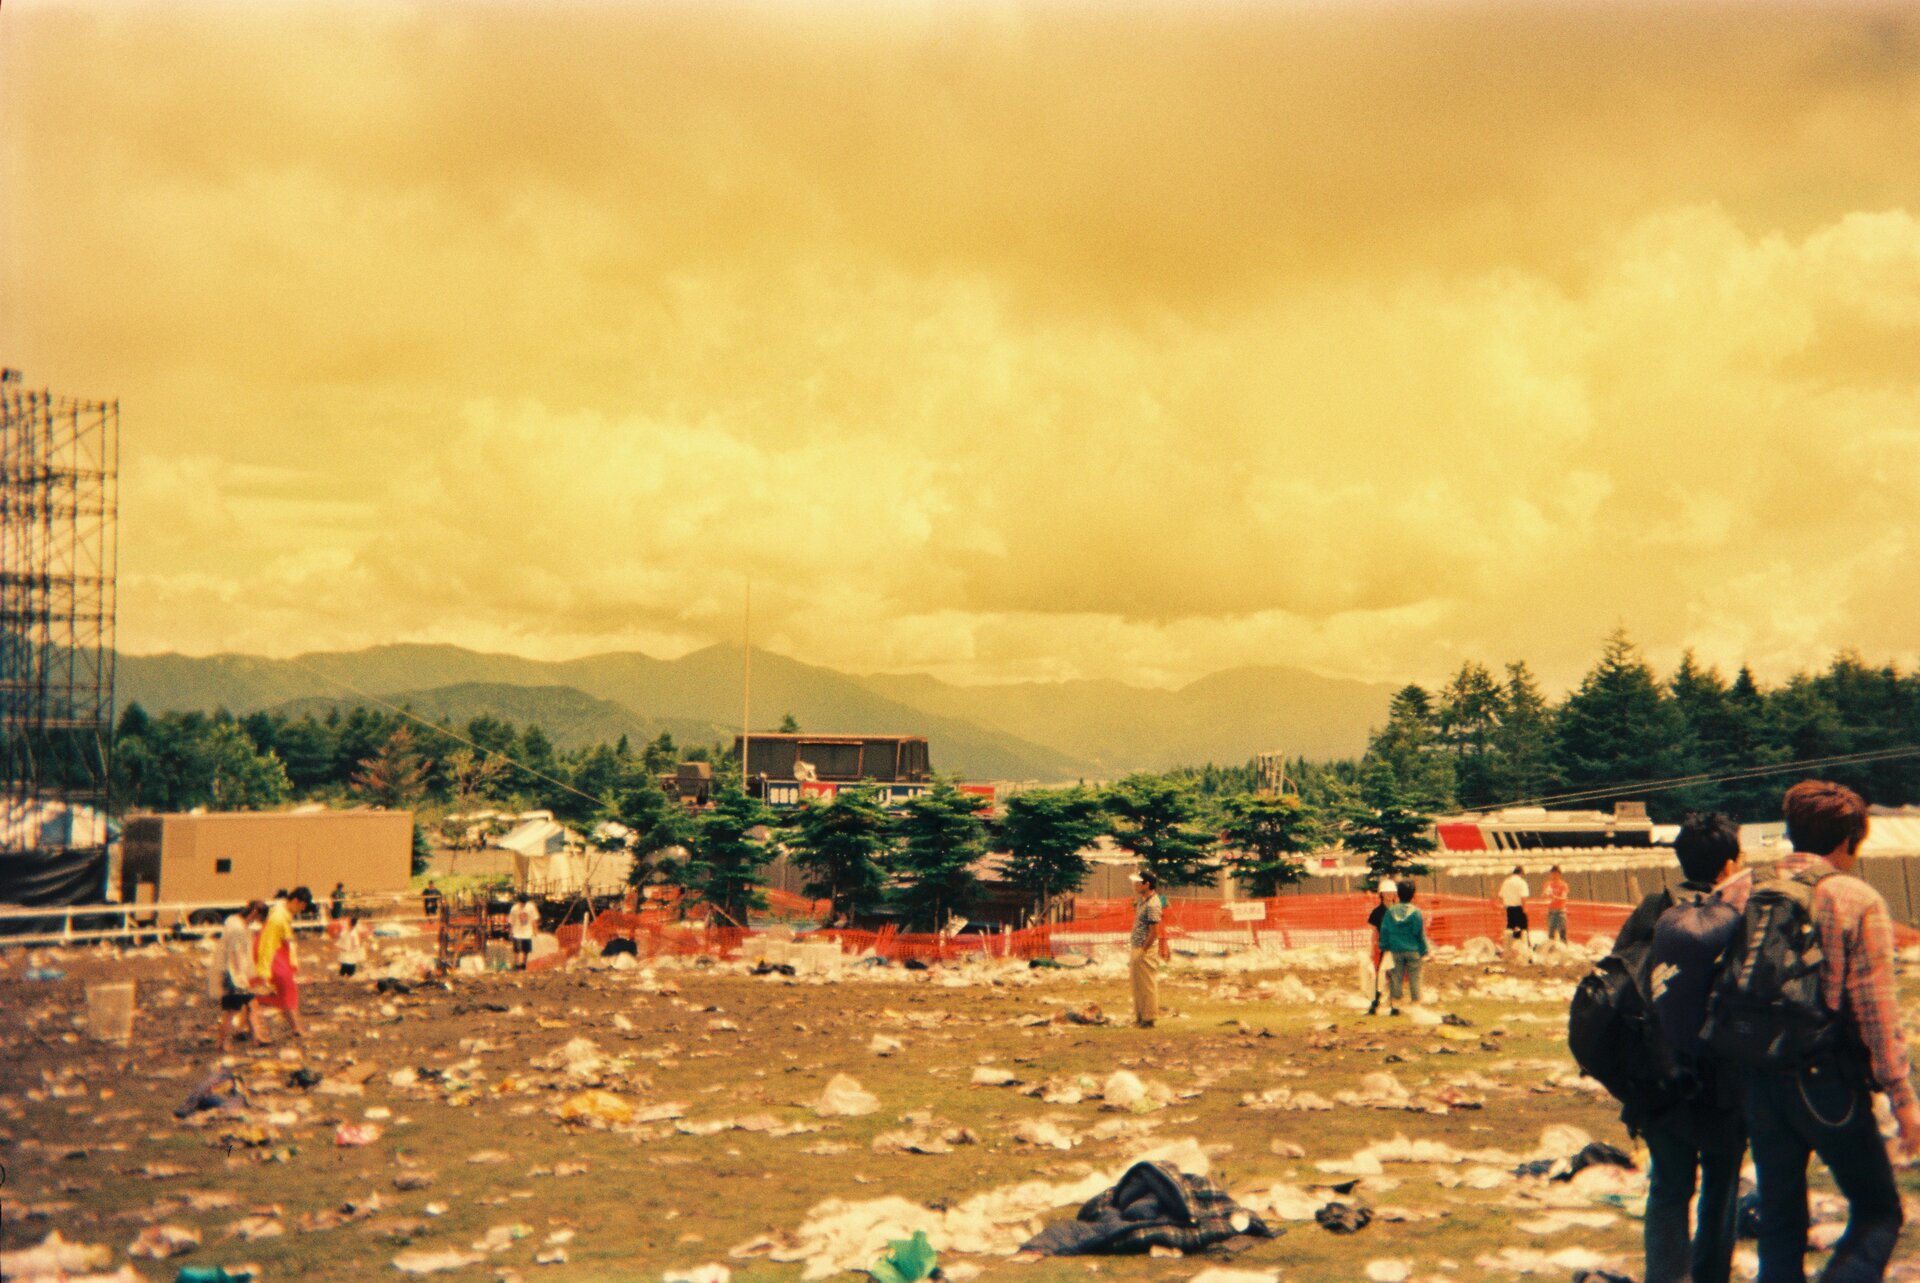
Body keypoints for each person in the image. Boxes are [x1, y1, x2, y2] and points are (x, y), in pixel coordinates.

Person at [1735, 781, 1917, 1282]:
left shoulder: (1745, 888)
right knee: (1879, 1209)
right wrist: (1903, 1098)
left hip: (1759, 1078)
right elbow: (1876, 1012)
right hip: (1826, 1082)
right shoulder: (1857, 899)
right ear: (1847, 840)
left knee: (1780, 1219)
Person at [1618, 813, 1751, 1283]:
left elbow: (1620, 980)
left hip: (1660, 1071)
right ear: (1730, 864)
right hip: (1722, 1076)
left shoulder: (1654, 908)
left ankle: (1665, 1276)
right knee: (1721, 1186)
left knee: (1669, 1188)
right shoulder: (1740, 916)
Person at [255, 886, 311, 1041]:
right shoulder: (278, 918)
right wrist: (264, 970)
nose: (302, 909)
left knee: (284, 993)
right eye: (302, 905)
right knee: (287, 992)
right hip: (274, 958)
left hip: (277, 957)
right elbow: (267, 944)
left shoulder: (281, 914)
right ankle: (297, 1028)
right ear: (296, 901)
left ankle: (247, 1018)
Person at [211, 901, 267, 1052]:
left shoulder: (233, 922)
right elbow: (237, 954)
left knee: (251, 1004)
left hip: (231, 972)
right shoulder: (238, 929)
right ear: (254, 913)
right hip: (235, 975)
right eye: (257, 918)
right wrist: (242, 976)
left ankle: (258, 1037)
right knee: (232, 1011)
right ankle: (223, 1042)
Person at [1377, 879, 1429, 1015]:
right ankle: (1416, 1003)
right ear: (1413, 895)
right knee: (1415, 977)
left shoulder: (1390, 911)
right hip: (1413, 950)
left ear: (1398, 894)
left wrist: (1384, 946)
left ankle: (1396, 1003)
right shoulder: (1416, 912)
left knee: (1396, 977)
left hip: (1396, 950)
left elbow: (1384, 930)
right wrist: (1424, 950)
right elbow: (1419, 934)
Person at [1128, 870, 1163, 1028]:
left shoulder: (1153, 904)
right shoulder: (1143, 901)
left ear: (1147, 884)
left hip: (1145, 949)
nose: (1135, 885)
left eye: (1138, 882)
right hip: (1137, 946)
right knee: (1137, 985)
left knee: (1147, 984)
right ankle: (1140, 1017)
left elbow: (1154, 932)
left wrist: (1143, 950)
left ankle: (1149, 1018)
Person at [1364, 881, 1393, 1016]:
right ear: (1382, 894)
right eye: (1387, 892)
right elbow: (1373, 931)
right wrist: (1372, 949)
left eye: (1391, 892)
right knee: (1381, 975)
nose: (1390, 894)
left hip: (1397, 947)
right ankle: (1376, 1002)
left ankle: (1390, 1003)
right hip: (1384, 948)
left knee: (1392, 975)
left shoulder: (1398, 910)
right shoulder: (1377, 912)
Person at [1498, 866, 1531, 958]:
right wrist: (1525, 909)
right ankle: (1523, 951)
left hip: (1509, 909)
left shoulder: (1506, 882)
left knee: (1510, 929)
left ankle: (1509, 951)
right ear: (1521, 873)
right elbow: (1523, 897)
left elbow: (1500, 896)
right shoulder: (1521, 883)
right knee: (1523, 930)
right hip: (1519, 908)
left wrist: (1504, 906)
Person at [508, 895, 538, 970]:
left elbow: (534, 919)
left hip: (527, 932)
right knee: (516, 949)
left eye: (524, 903)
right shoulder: (514, 908)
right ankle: (517, 963)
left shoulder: (531, 907)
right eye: (521, 903)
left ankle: (523, 963)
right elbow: (511, 921)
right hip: (517, 932)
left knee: (526, 950)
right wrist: (511, 932)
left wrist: (535, 930)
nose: (523, 905)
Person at [336, 913, 368, 978]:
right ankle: (345, 975)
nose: (344, 922)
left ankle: (347, 975)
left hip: (349, 957)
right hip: (346, 957)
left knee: (347, 972)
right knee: (344, 972)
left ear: (350, 924)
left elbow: (355, 944)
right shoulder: (346, 931)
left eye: (346, 922)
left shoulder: (352, 933)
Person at [1545, 866, 1570, 945]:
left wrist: (1555, 897)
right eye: (1552, 873)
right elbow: (1545, 895)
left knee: (1562, 931)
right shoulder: (1548, 884)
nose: (1553, 875)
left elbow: (1564, 897)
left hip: (1560, 910)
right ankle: (1551, 947)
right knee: (1551, 931)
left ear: (1559, 874)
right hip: (1551, 910)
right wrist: (1547, 895)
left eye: (1555, 873)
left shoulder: (1563, 885)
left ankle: (1564, 946)